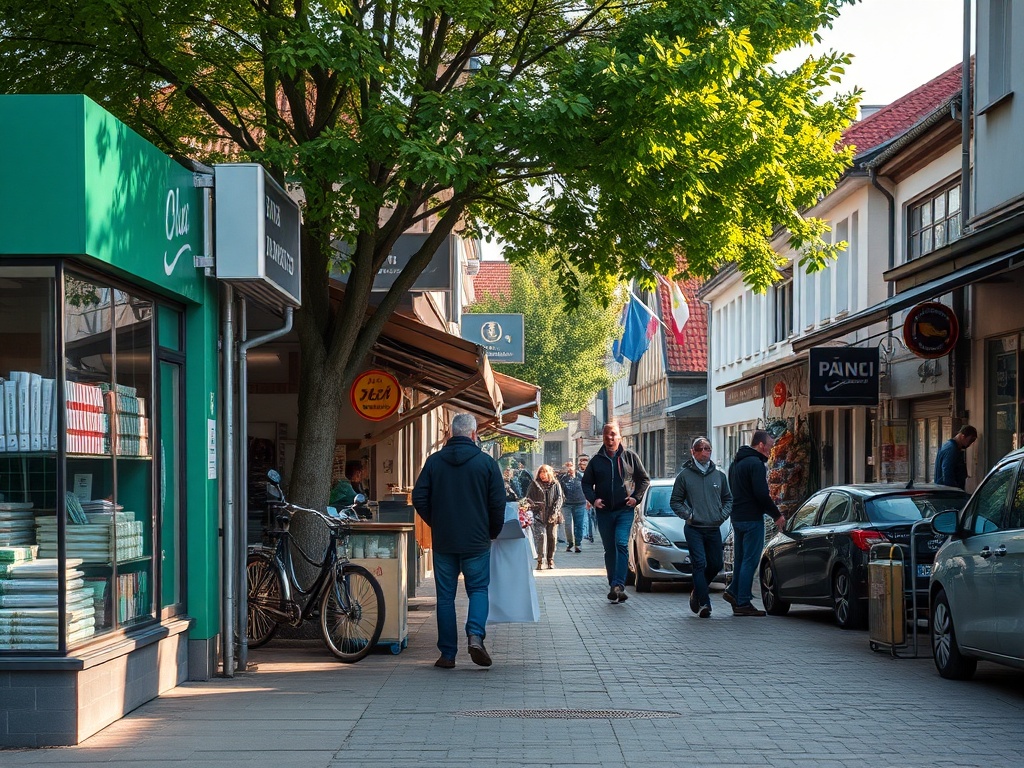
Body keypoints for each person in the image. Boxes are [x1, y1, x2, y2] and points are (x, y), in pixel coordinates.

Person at [412, 413, 506, 669]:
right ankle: (475, 635)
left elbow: (418, 496)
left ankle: (447, 654)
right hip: (477, 539)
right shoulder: (486, 463)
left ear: (452, 434)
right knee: (477, 589)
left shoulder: (434, 462)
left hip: (445, 540)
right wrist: (492, 531)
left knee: (445, 597)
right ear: (474, 434)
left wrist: (437, 522)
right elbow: (498, 503)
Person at [581, 422, 650, 603]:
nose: (610, 438)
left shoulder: (629, 457)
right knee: (609, 549)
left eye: (613, 435)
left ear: (620, 436)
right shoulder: (596, 460)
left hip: (624, 511)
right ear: (603, 438)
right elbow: (586, 483)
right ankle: (614, 584)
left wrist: (636, 497)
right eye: (606, 435)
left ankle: (618, 584)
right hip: (604, 512)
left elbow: (644, 480)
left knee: (620, 544)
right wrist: (594, 499)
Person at [725, 430, 787, 617]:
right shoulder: (757, 464)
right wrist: (777, 515)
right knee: (750, 561)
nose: (770, 450)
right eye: (769, 446)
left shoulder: (735, 463)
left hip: (737, 516)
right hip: (752, 518)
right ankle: (743, 601)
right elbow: (761, 494)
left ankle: (733, 591)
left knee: (740, 558)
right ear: (761, 445)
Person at [670, 436, 732, 618]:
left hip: (713, 527)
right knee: (699, 564)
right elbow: (675, 501)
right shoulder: (684, 476)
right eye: (701, 449)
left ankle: (697, 592)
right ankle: (705, 604)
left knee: (715, 564)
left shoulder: (719, 475)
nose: (705, 452)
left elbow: (728, 499)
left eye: (708, 449)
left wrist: (721, 515)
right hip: (694, 528)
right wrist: (688, 515)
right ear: (693, 452)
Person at [526, 464, 564, 570]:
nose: (543, 474)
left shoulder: (555, 484)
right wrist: (533, 505)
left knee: (552, 537)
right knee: (541, 537)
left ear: (550, 473)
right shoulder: (534, 484)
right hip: (538, 514)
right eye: (541, 472)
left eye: (545, 472)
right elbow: (528, 498)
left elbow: (560, 498)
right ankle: (540, 560)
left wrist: (555, 512)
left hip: (552, 514)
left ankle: (550, 560)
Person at [934, 425, 978, 489]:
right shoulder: (952, 449)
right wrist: (953, 490)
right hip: (948, 491)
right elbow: (947, 472)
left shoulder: (952, 447)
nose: (970, 444)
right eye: (970, 440)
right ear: (963, 436)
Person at [558, 460, 588, 553]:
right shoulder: (562, 478)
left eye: (571, 465)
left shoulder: (581, 476)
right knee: (567, 524)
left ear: (575, 466)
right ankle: (570, 543)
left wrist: (589, 500)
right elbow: (558, 490)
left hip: (580, 503)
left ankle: (578, 544)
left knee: (579, 524)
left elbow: (587, 487)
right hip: (566, 504)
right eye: (567, 466)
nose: (569, 468)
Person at [577, 456, 595, 542]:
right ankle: (586, 535)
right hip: (580, 499)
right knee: (585, 517)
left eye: (585, 461)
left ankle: (589, 534)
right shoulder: (577, 474)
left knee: (590, 517)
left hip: (589, 498)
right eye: (581, 461)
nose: (583, 463)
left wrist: (590, 499)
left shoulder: (592, 473)